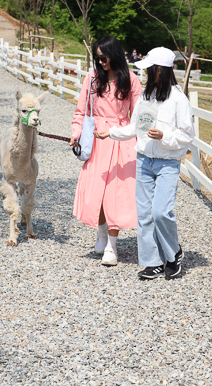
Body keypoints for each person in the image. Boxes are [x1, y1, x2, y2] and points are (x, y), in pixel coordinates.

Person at [95, 47, 194, 280]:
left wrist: (165, 137)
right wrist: (110, 133)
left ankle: (173, 253)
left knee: (161, 212)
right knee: (145, 215)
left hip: (167, 164)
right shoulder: (146, 97)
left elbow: (187, 136)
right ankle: (152, 262)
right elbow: (135, 128)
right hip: (144, 161)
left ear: (160, 70)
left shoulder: (179, 99)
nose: (146, 74)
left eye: (150, 70)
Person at [69, 35, 143, 266]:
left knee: (115, 194)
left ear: (116, 55)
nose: (100, 62)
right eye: (97, 58)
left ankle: (112, 246)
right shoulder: (91, 78)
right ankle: (101, 232)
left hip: (121, 141)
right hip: (97, 140)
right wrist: (76, 132)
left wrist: (141, 143)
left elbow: (139, 117)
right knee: (96, 192)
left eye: (104, 57)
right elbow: (80, 111)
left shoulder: (130, 80)